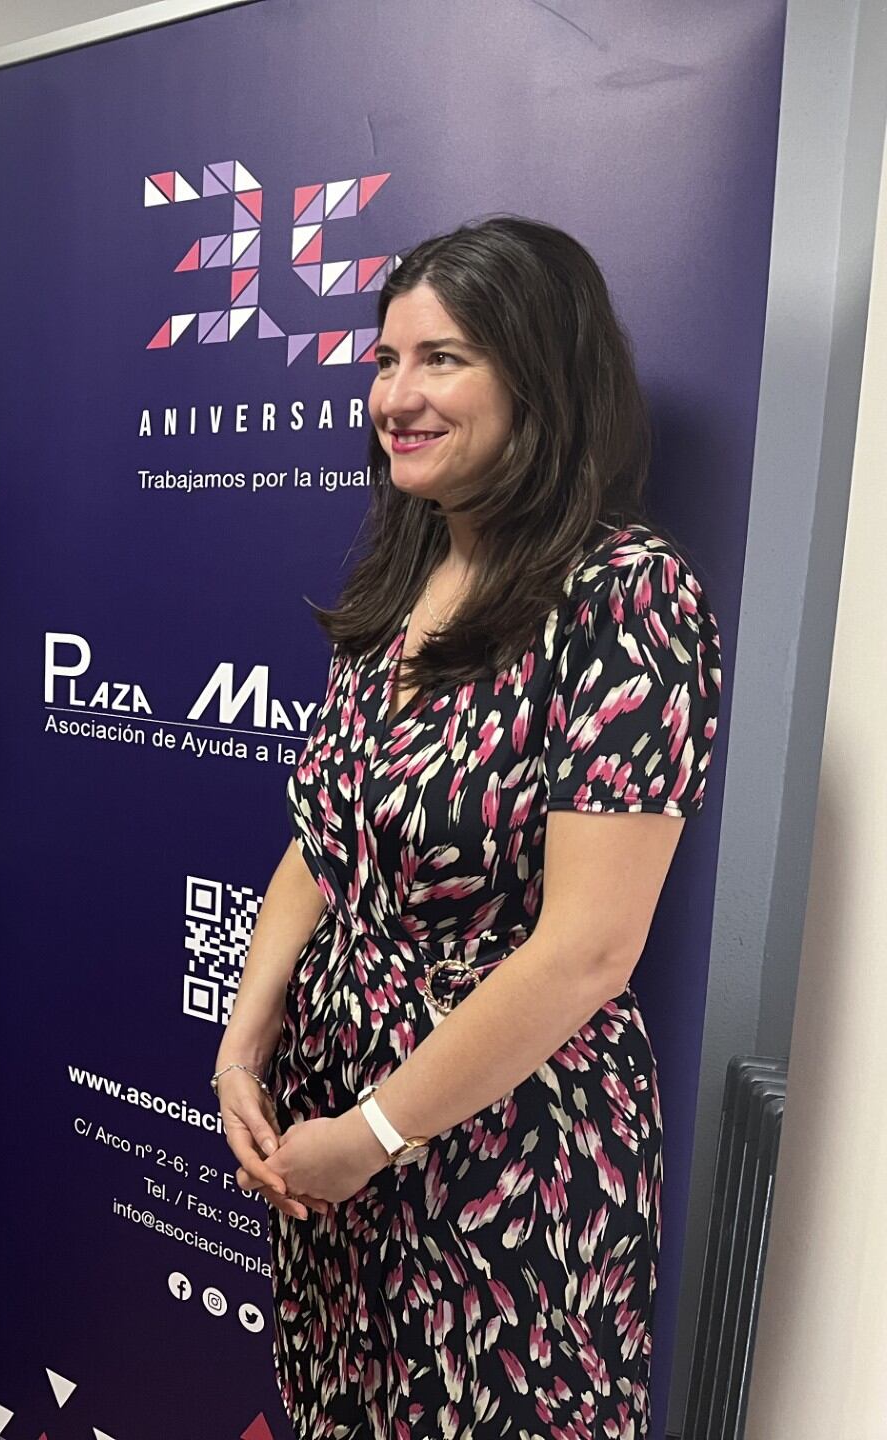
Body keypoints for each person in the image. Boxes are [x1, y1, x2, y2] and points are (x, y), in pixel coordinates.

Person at [211, 218, 722, 1439]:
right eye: (385, 362)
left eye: (441, 359)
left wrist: (379, 1132)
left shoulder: (628, 593)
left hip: (505, 1155)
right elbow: (322, 845)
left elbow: (590, 947)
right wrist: (244, 1044)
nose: (397, 395)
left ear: (538, 377)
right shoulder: (401, 582)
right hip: (332, 1127)